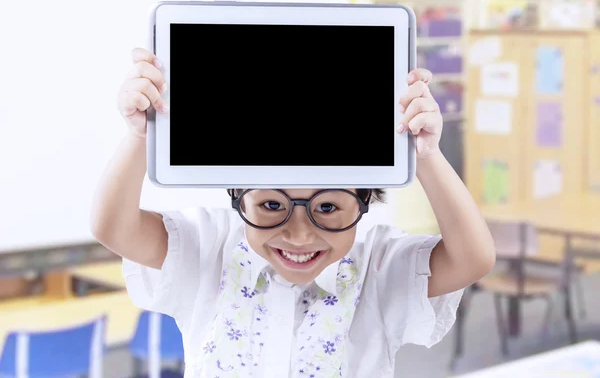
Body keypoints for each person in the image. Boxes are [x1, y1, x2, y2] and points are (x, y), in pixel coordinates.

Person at [90, 47, 495, 377]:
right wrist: (141, 134)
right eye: (270, 206)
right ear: (237, 197)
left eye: (328, 207)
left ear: (367, 200)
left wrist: (424, 154)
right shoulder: (209, 246)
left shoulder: (379, 267)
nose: (299, 234)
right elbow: (114, 228)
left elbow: (473, 258)